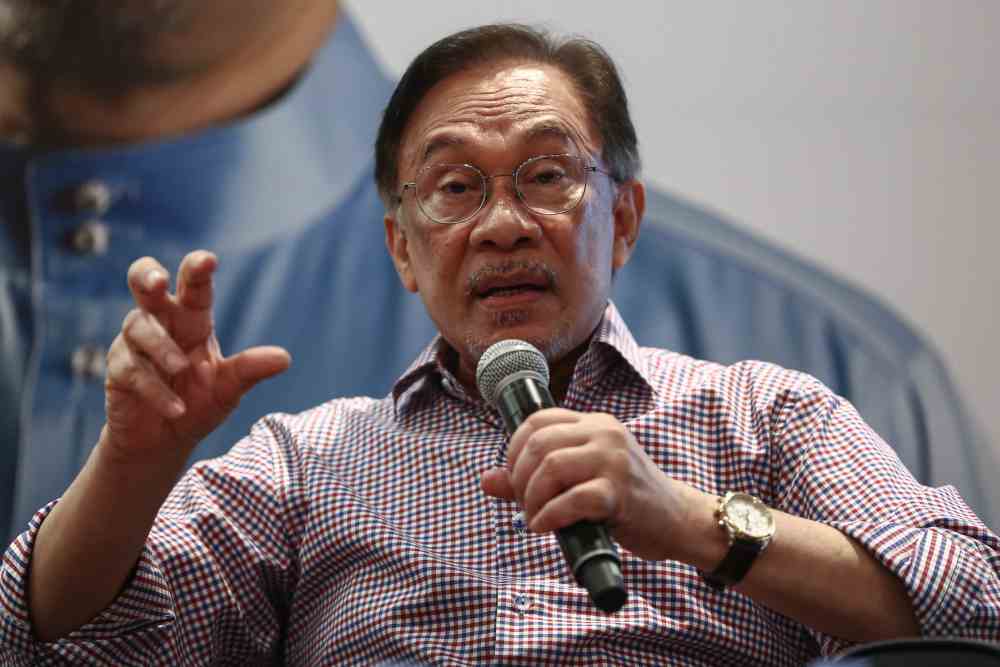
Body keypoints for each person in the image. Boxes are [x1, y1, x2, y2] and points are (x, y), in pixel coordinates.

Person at [2, 24, 997, 666]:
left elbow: (975, 605)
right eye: (454, 188)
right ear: (401, 247)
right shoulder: (306, 466)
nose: (503, 224)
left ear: (625, 219)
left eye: (547, 177)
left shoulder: (769, 412)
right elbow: (49, 645)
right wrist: (130, 468)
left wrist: (694, 523)